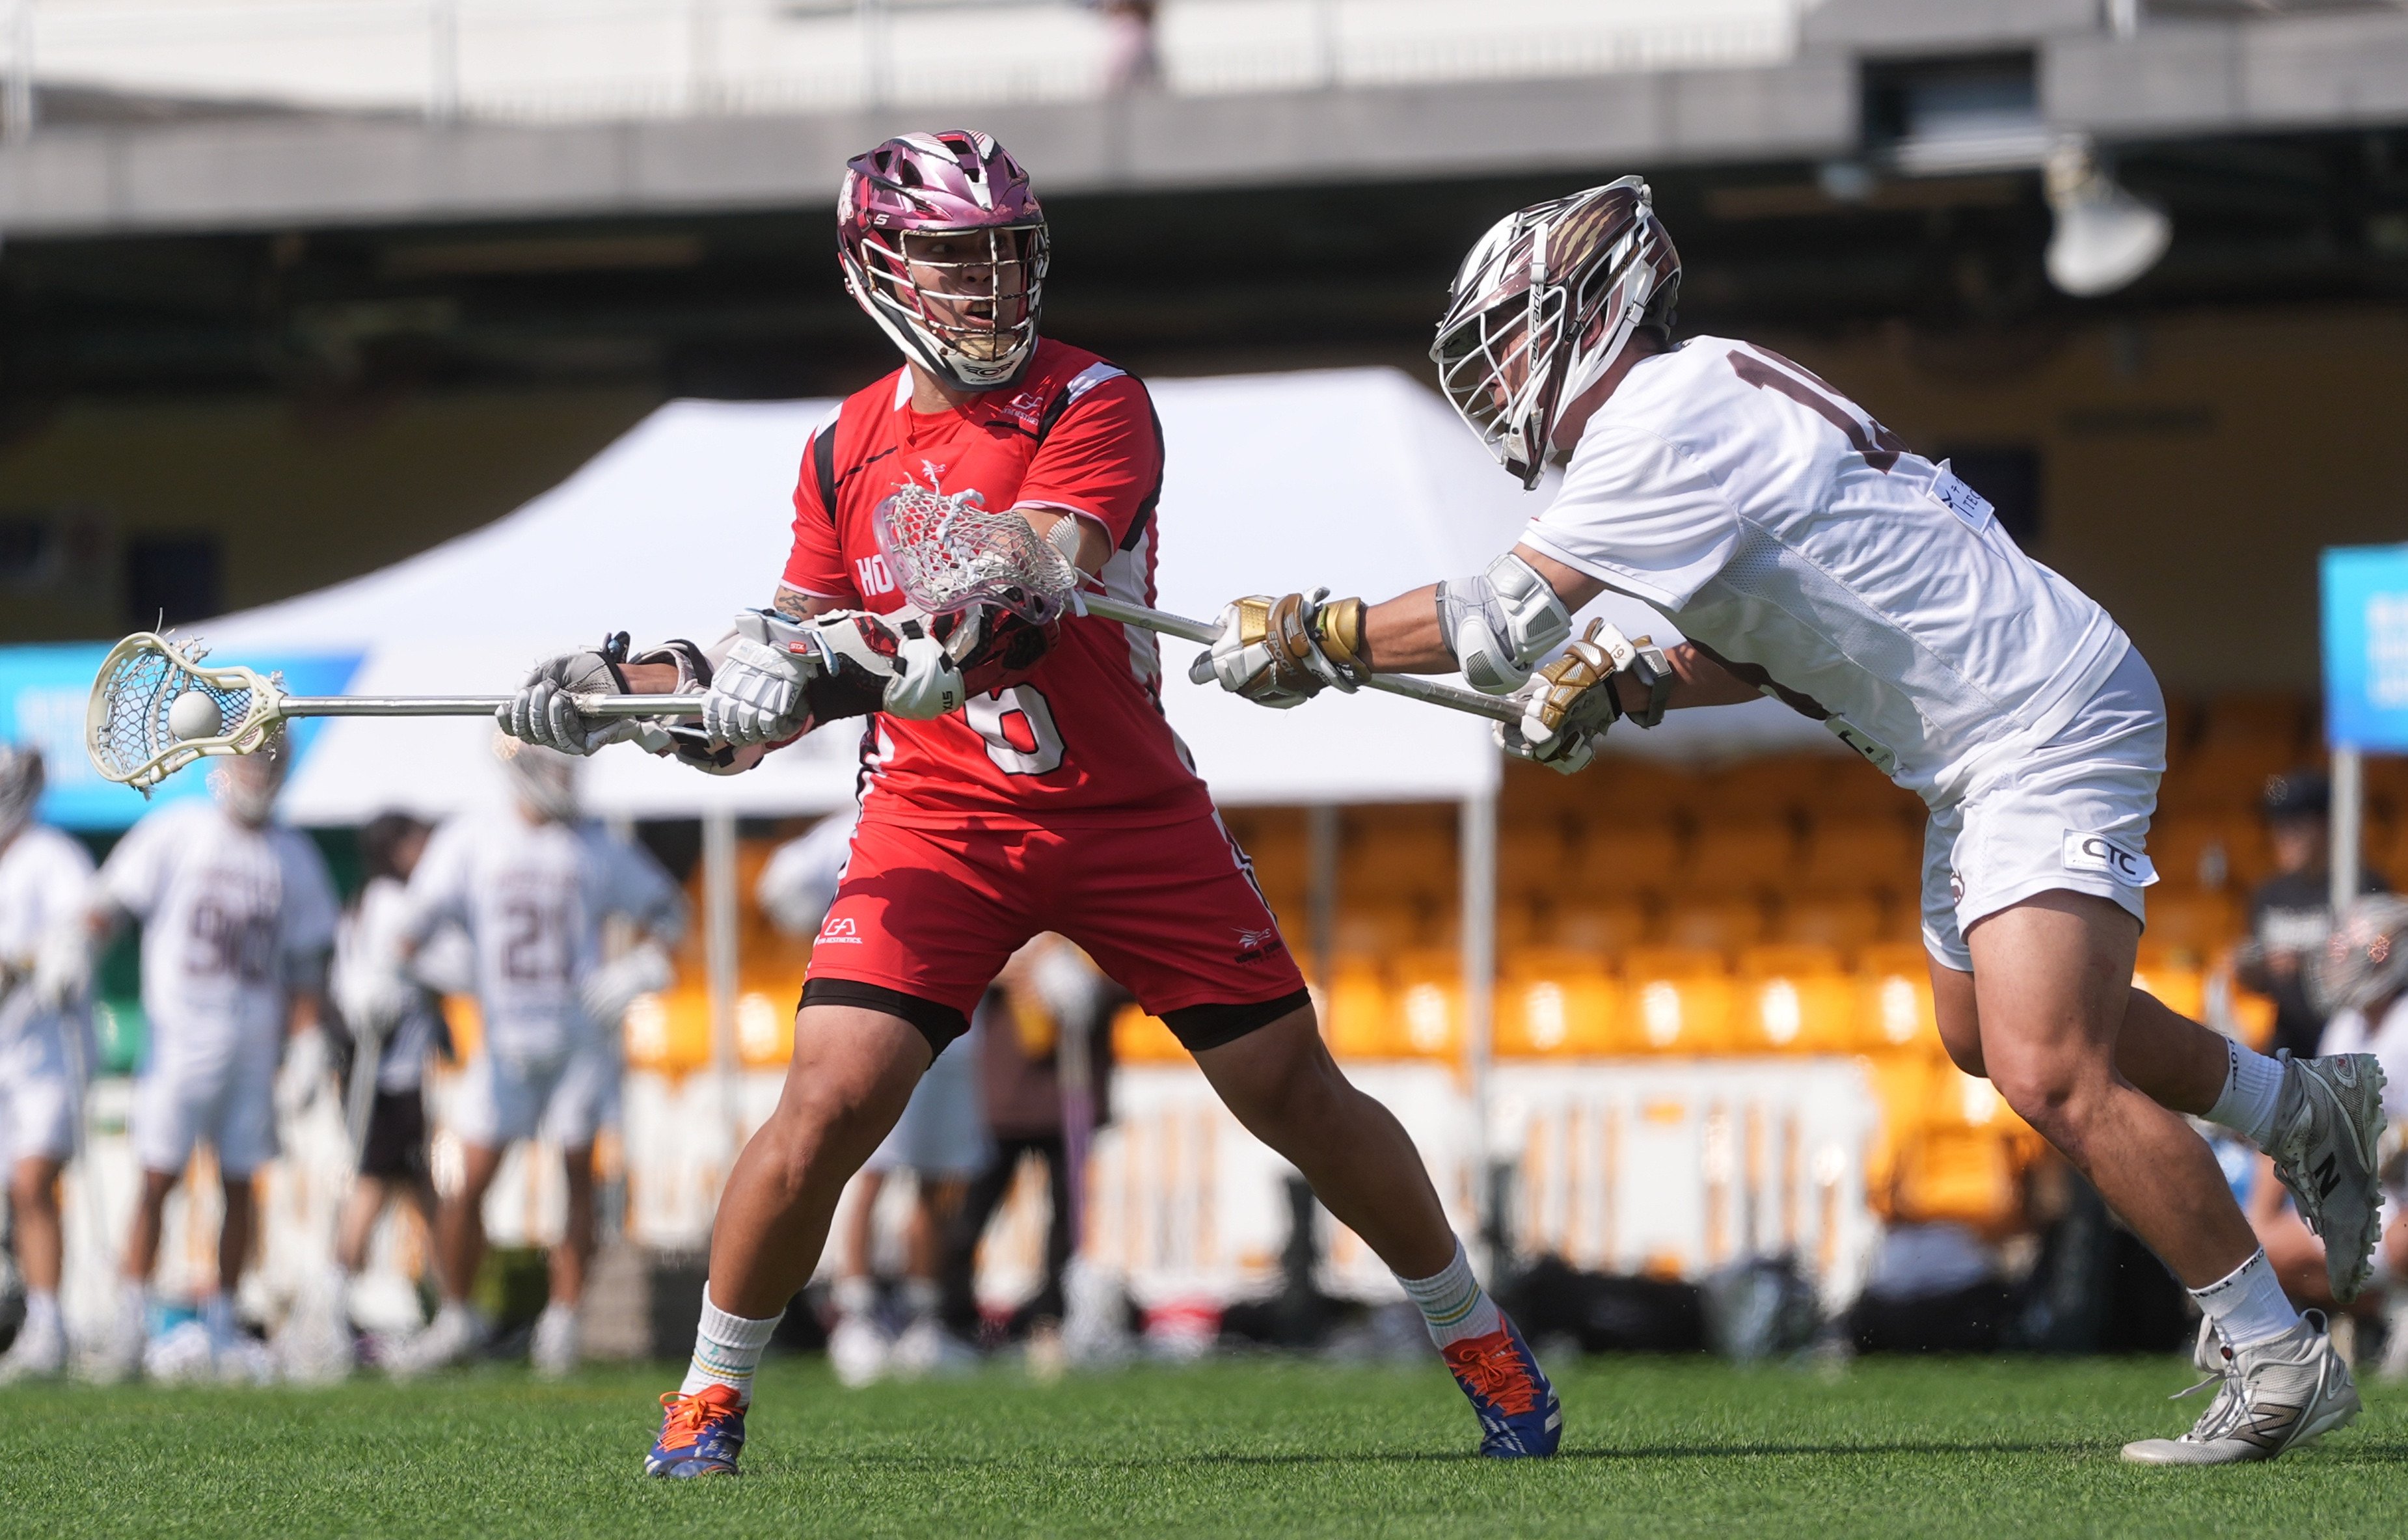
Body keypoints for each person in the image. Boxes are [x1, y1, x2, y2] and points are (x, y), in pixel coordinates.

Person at [1197, 176, 2389, 1465]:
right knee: (1983, 1034)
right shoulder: (1697, 395)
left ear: (1593, 313)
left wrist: (1316, 634)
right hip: (1980, 733)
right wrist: (1639, 677)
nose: (1493, 374)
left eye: (1510, 336)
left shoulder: (1653, 420)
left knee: (2051, 1065)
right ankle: (2294, 1106)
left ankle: (2276, 1356)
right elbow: (1779, 634)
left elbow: (1494, 625)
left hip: (2030, 715)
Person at [497, 129, 1558, 1476]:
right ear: (879, 268)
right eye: (956, 258)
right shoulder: (841, 450)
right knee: (825, 1099)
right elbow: (767, 664)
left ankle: (1479, 1341)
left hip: (1124, 812)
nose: (993, 286)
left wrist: (817, 672)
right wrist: (624, 694)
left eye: (1006, 254)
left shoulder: (1093, 399)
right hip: (937, 821)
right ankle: (706, 1402)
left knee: (1288, 1088)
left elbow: (1016, 598)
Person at [382, 740, 684, 1379]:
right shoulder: (472, 838)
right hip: (505, 1041)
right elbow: (409, 931)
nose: (567, 778)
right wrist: (439, 972)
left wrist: (639, 967)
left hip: (579, 1037)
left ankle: (563, 1322)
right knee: (470, 1182)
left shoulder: (595, 843)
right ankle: (457, 1315)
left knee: (577, 1177)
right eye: (556, 764)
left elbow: (669, 915)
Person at [90, 745, 339, 1382]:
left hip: (254, 1041)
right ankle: (131, 1315)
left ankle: (224, 1319)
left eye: (270, 764)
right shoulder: (179, 830)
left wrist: (308, 1040)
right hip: (180, 1034)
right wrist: (74, 943)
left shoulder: (295, 855)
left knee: (240, 1183)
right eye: (251, 762)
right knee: (156, 1176)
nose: (259, 777)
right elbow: (110, 903)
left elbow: (308, 964)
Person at [757, 804, 990, 1385]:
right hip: (884, 1019)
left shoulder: (980, 809)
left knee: (939, 1179)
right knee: (870, 1170)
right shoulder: (862, 817)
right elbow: (781, 882)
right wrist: (824, 920)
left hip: (961, 1024)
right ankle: (856, 1316)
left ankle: (921, 1320)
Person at [938, 934, 1116, 1349]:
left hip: (1069, 1097)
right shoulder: (1003, 934)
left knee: (1066, 1220)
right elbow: (957, 974)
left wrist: (1083, 982)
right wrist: (1017, 971)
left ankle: (1053, 1314)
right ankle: (954, 1316)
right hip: (1004, 1103)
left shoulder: (1088, 937)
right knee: (973, 1214)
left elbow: (1123, 987)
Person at [327, 813, 447, 1337]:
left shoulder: (362, 903)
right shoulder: (394, 903)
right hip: (389, 1064)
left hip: (372, 1057)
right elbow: (433, 964)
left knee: (418, 1186)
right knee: (376, 1181)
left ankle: (455, 1300)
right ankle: (330, 1299)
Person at [0, 746, 96, 1384]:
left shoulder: (51, 856)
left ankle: (48, 1323)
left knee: (33, 1183)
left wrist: (49, 958)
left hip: (45, 1054)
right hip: (6, 1050)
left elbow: (86, 919)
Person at [2238, 771, 2386, 1062]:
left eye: (2296, 824)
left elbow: (2382, 964)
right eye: (2277, 824)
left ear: (2328, 825)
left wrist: (2309, 962)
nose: (2283, 835)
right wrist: (2252, 970)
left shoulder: (2364, 886)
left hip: (2352, 1041)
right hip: (2289, 1046)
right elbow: (2259, 979)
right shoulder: (2269, 894)